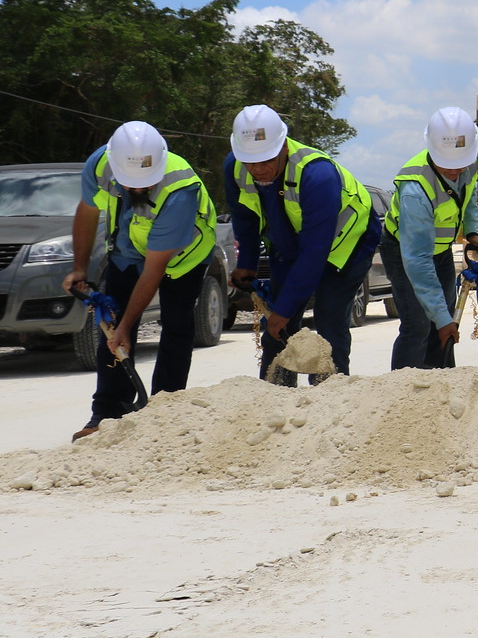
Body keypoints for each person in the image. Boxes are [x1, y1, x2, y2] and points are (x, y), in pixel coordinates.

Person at [61, 122, 218, 440]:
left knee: (176, 325)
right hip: (128, 247)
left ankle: (165, 410)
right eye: (128, 183)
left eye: (143, 183)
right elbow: (88, 211)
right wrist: (79, 268)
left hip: (184, 255)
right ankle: (107, 413)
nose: (135, 190)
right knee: (112, 322)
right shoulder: (100, 163)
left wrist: (126, 328)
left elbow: (154, 269)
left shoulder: (180, 187)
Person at [225, 104, 378, 385]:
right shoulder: (235, 168)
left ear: (283, 145)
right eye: (251, 161)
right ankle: (276, 398)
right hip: (290, 245)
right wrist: (246, 263)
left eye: (266, 160)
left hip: (347, 245)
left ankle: (329, 399)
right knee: (276, 327)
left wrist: (284, 311)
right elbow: (244, 217)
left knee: (329, 322)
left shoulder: (317, 174)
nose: (258, 169)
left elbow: (314, 253)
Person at [381, 107, 478, 370]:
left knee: (443, 322)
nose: (456, 171)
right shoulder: (415, 190)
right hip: (404, 253)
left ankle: (442, 385)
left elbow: (468, 199)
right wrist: (443, 319)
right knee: (420, 324)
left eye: (461, 164)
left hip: (440, 250)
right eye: (448, 166)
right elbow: (418, 261)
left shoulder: (466, 160)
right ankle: (404, 391)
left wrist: (471, 232)